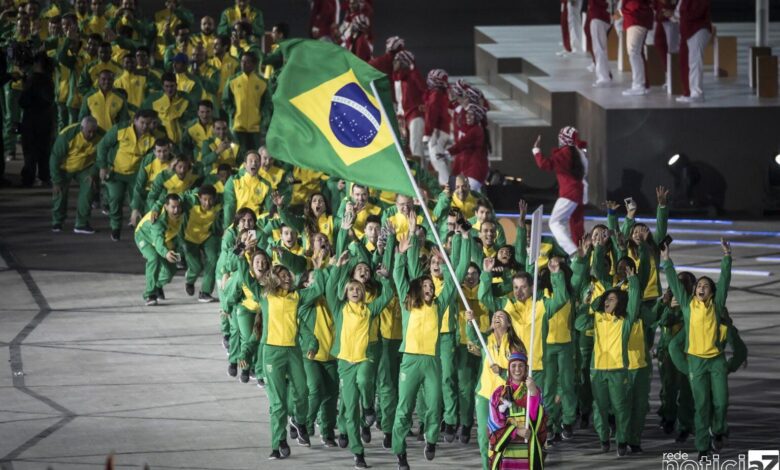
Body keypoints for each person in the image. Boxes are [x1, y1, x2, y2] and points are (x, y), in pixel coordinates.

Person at [391, 227, 470, 470]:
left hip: (432, 362)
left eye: (431, 287)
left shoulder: (439, 305)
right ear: (418, 289)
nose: (429, 288)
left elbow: (457, 275)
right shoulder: (408, 304)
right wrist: (401, 255)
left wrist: (464, 241)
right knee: (404, 408)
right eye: (425, 285)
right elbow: (398, 276)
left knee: (435, 405)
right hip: (411, 361)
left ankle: (431, 440)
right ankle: (400, 451)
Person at [661, 238, 732, 459]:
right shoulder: (687, 305)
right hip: (696, 362)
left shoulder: (717, 305)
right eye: (699, 285)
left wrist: (727, 257)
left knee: (721, 402)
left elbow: (725, 281)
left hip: (716, 360)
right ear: (694, 291)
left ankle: (717, 430)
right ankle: (702, 447)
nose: (701, 287)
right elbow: (674, 283)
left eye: (706, 286)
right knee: (701, 406)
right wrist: (666, 260)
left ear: (711, 292)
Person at [326, 253, 393, 469]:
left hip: (364, 358)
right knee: (349, 409)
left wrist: (385, 277)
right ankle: (357, 451)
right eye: (351, 289)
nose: (355, 291)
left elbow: (389, 294)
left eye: (358, 289)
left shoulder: (369, 310)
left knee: (365, 381)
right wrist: (337, 268)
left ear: (364, 294)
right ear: (345, 293)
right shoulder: (340, 309)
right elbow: (329, 289)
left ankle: (369, 405)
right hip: (345, 363)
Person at [97, 109, 157, 241]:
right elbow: (103, 145)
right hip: (115, 172)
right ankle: (115, 227)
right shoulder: (120, 129)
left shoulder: (153, 137)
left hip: (136, 174)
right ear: (134, 120)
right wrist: (102, 166)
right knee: (115, 199)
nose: (145, 126)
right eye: (142, 122)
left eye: (148, 123)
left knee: (137, 201)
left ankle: (137, 227)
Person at [532, 128, 588, 256]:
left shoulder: (564, 153)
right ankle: (581, 252)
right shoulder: (578, 153)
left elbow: (544, 164)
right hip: (579, 192)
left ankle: (573, 252)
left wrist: (536, 150)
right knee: (576, 226)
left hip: (569, 193)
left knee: (554, 222)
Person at [487, 350, 547, 470]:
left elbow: (537, 420)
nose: (517, 369)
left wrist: (533, 392)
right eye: (513, 365)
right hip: (506, 451)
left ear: (526, 369)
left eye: (521, 365)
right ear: (509, 369)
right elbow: (494, 422)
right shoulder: (499, 393)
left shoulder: (535, 390)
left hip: (527, 451)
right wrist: (515, 431)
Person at [50, 116, 104, 233]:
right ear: (81, 128)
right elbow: (55, 158)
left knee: (89, 188)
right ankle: (57, 221)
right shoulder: (67, 135)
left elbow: (104, 156)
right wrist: (56, 180)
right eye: (89, 131)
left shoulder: (101, 135)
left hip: (85, 167)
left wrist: (94, 172)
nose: (91, 135)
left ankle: (81, 224)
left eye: (94, 131)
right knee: (59, 192)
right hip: (64, 168)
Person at [134, 193, 183, 305]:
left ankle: (156, 286)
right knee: (154, 257)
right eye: (173, 207)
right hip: (144, 236)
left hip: (166, 237)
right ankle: (149, 294)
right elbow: (158, 243)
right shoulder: (157, 221)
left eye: (178, 207)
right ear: (166, 207)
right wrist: (166, 254)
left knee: (169, 273)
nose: (176, 210)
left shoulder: (182, 208)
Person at [222, 52, 270, 156]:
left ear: (253, 64)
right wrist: (233, 112)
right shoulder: (232, 80)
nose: (243, 64)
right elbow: (225, 101)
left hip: (256, 127)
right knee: (239, 155)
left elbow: (267, 104)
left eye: (247, 62)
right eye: (242, 61)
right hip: (237, 126)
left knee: (255, 155)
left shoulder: (262, 82)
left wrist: (263, 118)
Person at [19, 52, 56, 187]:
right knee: (44, 150)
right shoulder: (49, 79)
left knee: (30, 150)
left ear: (37, 64)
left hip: (31, 119)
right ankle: (44, 177)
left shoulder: (33, 79)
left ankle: (28, 178)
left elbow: (23, 101)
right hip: (46, 119)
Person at [675, 0, 711, 102]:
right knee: (685, 62)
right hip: (687, 31)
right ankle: (689, 92)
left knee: (695, 61)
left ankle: (697, 93)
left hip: (698, 29)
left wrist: (680, 15)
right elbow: (678, 13)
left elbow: (696, 12)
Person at [449, 103, 489, 192]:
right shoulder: (467, 132)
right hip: (469, 173)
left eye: (471, 115)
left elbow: (462, 143)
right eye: (467, 114)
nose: (467, 117)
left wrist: (448, 152)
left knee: (465, 196)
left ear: (477, 117)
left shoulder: (476, 130)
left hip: (475, 172)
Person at [423, 68, 451, 186]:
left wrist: (427, 134)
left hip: (439, 131)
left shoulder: (435, 96)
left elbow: (431, 116)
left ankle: (446, 186)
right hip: (445, 129)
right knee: (443, 159)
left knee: (436, 157)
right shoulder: (441, 94)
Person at [620, 0, 653, 96]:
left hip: (636, 18)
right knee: (637, 52)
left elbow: (635, 3)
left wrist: (622, 11)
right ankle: (643, 83)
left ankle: (638, 85)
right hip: (636, 17)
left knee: (634, 52)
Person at [588, 0, 613, 87]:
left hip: (598, 16)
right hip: (601, 15)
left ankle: (604, 77)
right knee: (600, 48)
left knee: (599, 49)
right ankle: (605, 74)